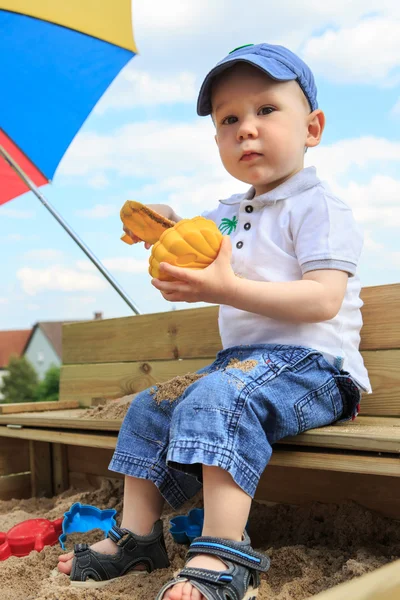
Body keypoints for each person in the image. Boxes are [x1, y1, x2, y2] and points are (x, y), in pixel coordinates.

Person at [58, 43, 371, 600]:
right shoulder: (226, 214)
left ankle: (223, 554)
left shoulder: (318, 206)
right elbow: (188, 240)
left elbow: (324, 300)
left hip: (318, 369)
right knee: (150, 404)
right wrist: (159, 227)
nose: (246, 129)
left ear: (312, 128)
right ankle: (138, 536)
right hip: (243, 368)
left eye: (266, 111)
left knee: (217, 397)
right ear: (217, 140)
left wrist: (226, 289)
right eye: (230, 119)